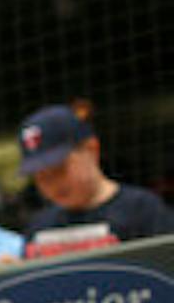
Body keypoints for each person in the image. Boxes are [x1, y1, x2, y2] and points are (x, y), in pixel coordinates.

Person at [18, 104, 174, 251]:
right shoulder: (39, 227)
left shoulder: (143, 210)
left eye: (59, 169)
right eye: (40, 176)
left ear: (91, 149)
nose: (52, 183)